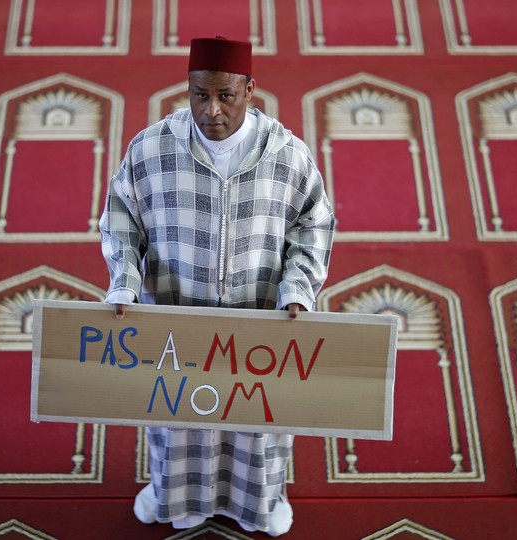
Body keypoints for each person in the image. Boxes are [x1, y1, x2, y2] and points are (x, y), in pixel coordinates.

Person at [98, 36, 335, 537]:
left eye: (225, 95)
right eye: (200, 95)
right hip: (176, 314)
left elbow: (313, 225)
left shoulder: (287, 156)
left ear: (250, 90)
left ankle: (261, 506)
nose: (211, 110)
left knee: (259, 419)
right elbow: (122, 220)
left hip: (260, 316)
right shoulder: (151, 148)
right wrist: (123, 283)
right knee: (178, 412)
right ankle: (175, 499)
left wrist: (298, 288)